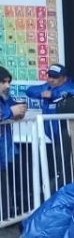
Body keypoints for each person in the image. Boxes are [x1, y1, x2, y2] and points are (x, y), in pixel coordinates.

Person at [26, 63, 74, 189]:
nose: (50, 79)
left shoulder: (70, 87)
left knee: (66, 164)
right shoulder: (47, 86)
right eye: (49, 76)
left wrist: (53, 94)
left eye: (55, 77)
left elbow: (72, 92)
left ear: (64, 78)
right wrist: (42, 93)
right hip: (52, 135)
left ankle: (65, 188)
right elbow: (30, 90)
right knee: (57, 163)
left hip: (65, 133)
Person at [0, 65, 29, 219]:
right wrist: (11, 112)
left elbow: (12, 108)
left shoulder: (4, 97)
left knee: (4, 185)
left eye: (8, 82)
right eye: (3, 82)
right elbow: (8, 111)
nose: (7, 85)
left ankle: (4, 216)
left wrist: (20, 111)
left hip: (3, 152)